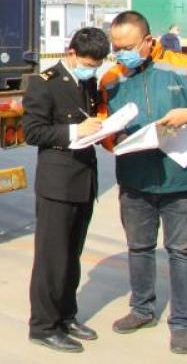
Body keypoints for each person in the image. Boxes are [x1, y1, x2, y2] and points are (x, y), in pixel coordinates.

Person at [100, 11, 187, 355]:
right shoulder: (112, 79)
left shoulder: (185, 68)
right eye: (116, 47)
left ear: (148, 40)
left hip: (181, 176)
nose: (121, 53)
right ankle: (142, 309)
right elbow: (103, 124)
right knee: (139, 247)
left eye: (127, 47)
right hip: (135, 177)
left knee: (182, 250)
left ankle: (182, 323)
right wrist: (112, 138)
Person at [23, 27, 110, 353]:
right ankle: (43, 326)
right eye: (88, 63)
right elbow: (33, 132)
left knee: (72, 257)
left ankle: (66, 315)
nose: (92, 70)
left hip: (83, 181)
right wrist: (75, 131)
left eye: (97, 65)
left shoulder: (87, 82)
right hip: (57, 184)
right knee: (52, 259)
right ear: (71, 53)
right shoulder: (43, 83)